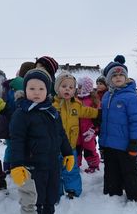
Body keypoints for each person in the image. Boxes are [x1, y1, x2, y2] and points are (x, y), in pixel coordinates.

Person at [10, 68, 74, 214]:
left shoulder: (52, 112)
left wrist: (68, 153)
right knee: (34, 201)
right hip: (33, 168)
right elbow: (17, 141)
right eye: (32, 88)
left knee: (50, 198)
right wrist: (17, 165)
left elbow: (61, 134)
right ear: (25, 90)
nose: (36, 92)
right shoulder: (22, 114)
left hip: (52, 165)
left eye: (41, 88)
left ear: (47, 91)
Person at [99, 55, 137, 204]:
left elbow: (136, 121)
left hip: (126, 144)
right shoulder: (106, 96)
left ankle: (135, 195)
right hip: (109, 143)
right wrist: (102, 143)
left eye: (121, 75)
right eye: (114, 75)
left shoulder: (131, 97)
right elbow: (104, 120)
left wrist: (135, 142)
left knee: (130, 170)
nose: (118, 78)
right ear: (108, 79)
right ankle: (113, 192)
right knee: (111, 170)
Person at [53, 71, 99, 199]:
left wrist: (98, 114)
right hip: (55, 147)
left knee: (71, 170)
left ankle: (72, 189)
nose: (67, 89)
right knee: (55, 171)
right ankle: (56, 192)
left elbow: (87, 111)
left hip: (71, 146)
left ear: (74, 90)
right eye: (64, 86)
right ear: (57, 89)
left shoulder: (76, 105)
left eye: (71, 87)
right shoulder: (52, 106)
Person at [76, 76, 100, 173]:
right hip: (76, 130)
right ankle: (75, 166)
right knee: (76, 149)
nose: (78, 88)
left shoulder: (93, 101)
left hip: (88, 132)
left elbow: (98, 118)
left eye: (80, 86)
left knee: (89, 150)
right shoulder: (75, 100)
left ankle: (94, 165)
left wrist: (94, 129)